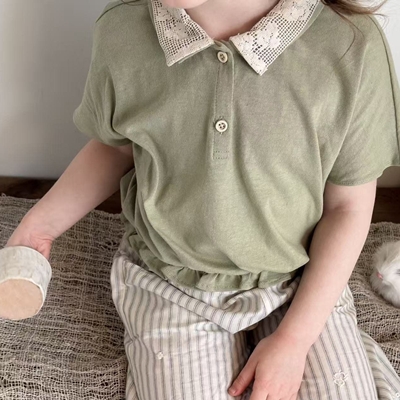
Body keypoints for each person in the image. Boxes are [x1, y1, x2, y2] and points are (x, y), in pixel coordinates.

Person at [5, 0, 400, 398]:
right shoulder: (123, 28)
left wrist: (295, 340)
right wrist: (39, 229)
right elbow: (117, 146)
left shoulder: (352, 46)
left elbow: (347, 207)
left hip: (302, 278)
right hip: (169, 280)